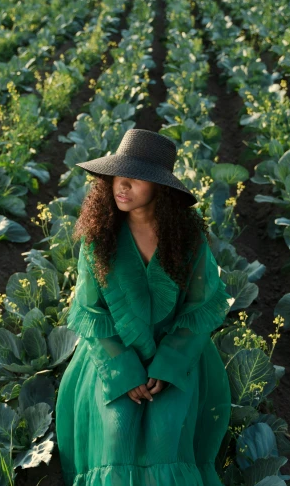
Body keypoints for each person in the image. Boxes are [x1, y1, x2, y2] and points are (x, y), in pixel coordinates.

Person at [55, 128, 233, 485]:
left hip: (176, 359)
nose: (122, 186)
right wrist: (124, 371)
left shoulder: (189, 240)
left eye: (135, 180)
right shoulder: (98, 239)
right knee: (117, 431)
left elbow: (200, 309)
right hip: (112, 356)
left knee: (166, 433)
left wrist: (167, 367)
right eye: (118, 177)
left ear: (160, 188)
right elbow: (90, 312)